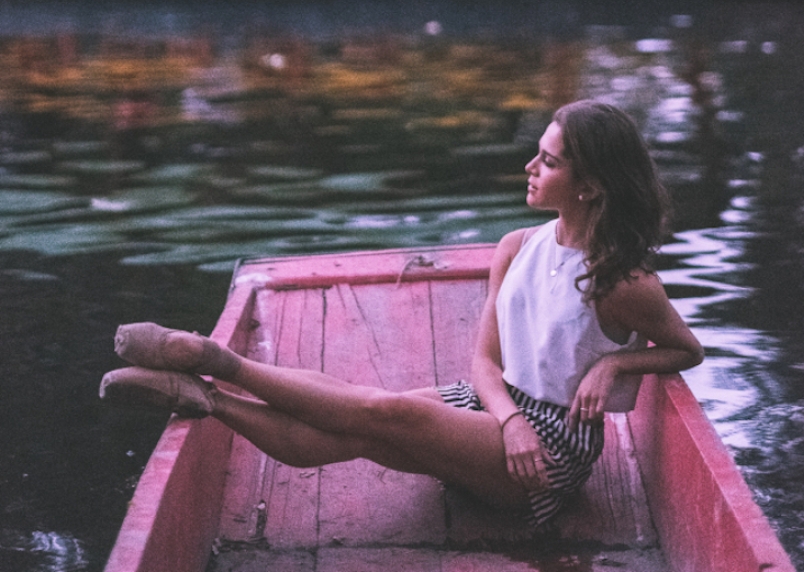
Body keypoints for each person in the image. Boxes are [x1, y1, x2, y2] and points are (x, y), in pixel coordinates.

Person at [99, 100, 703, 531]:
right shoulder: (518, 246)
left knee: (379, 409)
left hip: (548, 455)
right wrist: (507, 418)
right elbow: (483, 362)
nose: (529, 168)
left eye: (547, 161)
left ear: (591, 187)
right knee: (357, 419)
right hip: (492, 408)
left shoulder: (622, 282)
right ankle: (206, 396)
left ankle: (214, 359)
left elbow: (687, 349)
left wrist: (618, 363)